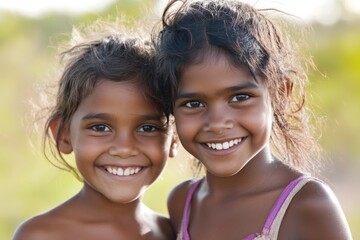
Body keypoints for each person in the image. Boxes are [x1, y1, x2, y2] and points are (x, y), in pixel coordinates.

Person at [154, 0, 353, 239]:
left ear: (280, 93)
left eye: (240, 97)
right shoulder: (182, 203)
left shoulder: (307, 205)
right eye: (194, 104)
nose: (217, 123)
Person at [12, 22, 178, 240]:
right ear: (63, 134)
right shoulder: (41, 235)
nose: (124, 148)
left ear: (174, 138)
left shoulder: (170, 231)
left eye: (147, 128)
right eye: (100, 128)